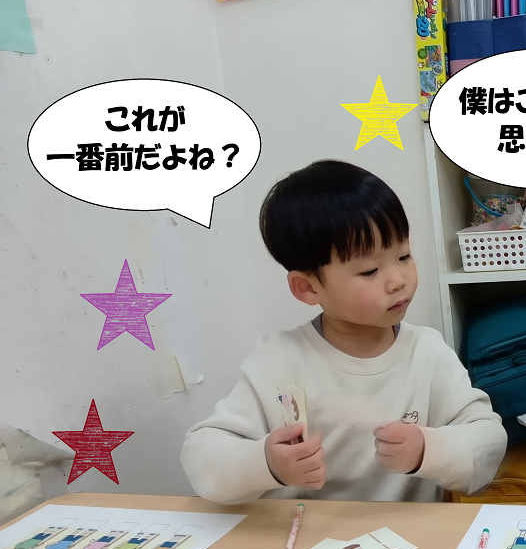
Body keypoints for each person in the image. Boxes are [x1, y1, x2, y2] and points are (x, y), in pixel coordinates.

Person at [181, 161, 507, 505]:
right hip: (300, 532)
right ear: (308, 287)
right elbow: (202, 455)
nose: (398, 280)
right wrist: (266, 464)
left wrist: (431, 448)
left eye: (404, 255)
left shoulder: (427, 353)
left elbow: (488, 442)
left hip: (405, 534)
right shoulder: (279, 361)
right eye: (369, 270)